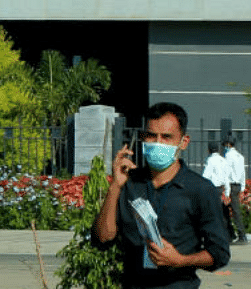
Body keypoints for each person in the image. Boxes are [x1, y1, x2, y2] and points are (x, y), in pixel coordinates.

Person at [94, 102, 231, 288]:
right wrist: (115, 187)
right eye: (151, 136)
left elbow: (219, 253)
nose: (158, 143)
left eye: (166, 137)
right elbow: (103, 238)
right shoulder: (130, 183)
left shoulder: (200, 189)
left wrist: (180, 260)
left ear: (183, 142)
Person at [221, 134, 247, 244]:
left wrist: (226, 189)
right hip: (238, 185)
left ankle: (241, 235)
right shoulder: (240, 157)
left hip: (231, 185)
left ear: (227, 144)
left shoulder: (228, 157)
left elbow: (226, 173)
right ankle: (231, 233)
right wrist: (243, 186)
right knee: (230, 209)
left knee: (233, 211)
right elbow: (243, 173)